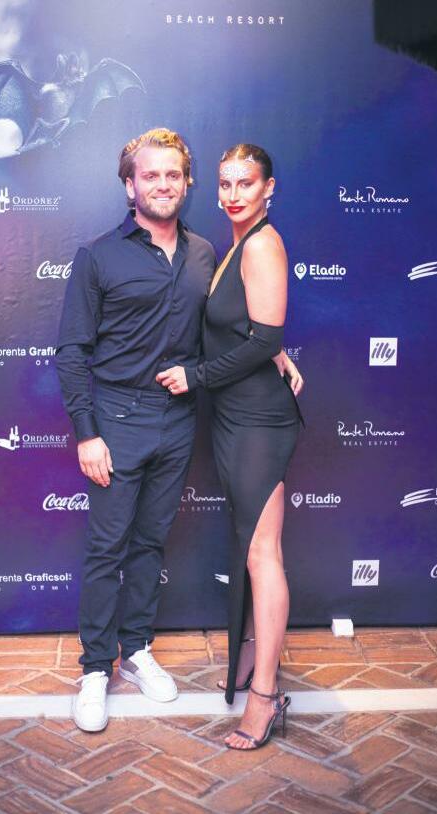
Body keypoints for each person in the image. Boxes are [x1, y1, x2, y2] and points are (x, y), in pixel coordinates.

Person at [56, 128, 303, 734]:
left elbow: (232, 322)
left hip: (178, 420)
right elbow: (71, 352)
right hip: (116, 421)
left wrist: (272, 349)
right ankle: (96, 669)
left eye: (173, 175)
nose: (162, 184)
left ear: (187, 184)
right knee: (107, 548)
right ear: (130, 185)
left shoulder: (204, 254)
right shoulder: (98, 255)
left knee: (149, 544)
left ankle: (137, 650)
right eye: (150, 175)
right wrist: (87, 432)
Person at [157, 144, 303, 750]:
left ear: (269, 189)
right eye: (225, 183)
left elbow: (263, 337)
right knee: (250, 547)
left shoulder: (263, 244)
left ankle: (265, 697)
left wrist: (197, 375)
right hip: (235, 416)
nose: (233, 194)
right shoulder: (234, 248)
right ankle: (250, 657)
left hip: (259, 420)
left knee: (262, 552)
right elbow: (254, 330)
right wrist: (275, 350)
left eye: (246, 183)